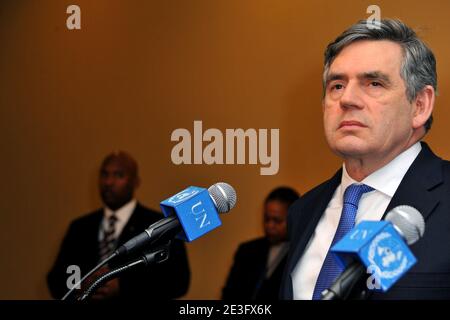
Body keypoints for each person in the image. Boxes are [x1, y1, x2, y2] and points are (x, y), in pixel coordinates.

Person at [280, 19, 450, 300]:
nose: (347, 99)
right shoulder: (303, 210)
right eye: (336, 86)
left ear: (419, 105)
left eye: (373, 83)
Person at [47, 151, 190, 300]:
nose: (108, 182)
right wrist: (79, 284)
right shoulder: (80, 227)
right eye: (104, 175)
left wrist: (123, 286)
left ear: (136, 182)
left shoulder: (160, 225)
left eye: (119, 175)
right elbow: (56, 278)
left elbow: (178, 281)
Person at [222, 187, 300, 300]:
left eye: (277, 220)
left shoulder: (301, 253)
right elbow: (229, 293)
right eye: (266, 219)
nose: (270, 226)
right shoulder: (247, 250)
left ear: (294, 218)